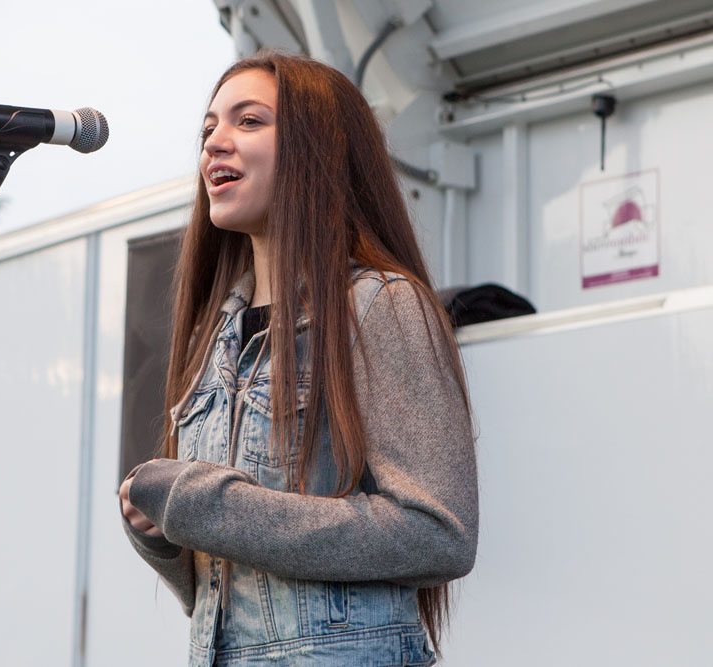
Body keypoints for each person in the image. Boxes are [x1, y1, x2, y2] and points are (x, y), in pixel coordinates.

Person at [119, 52, 478, 666]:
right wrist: (162, 535)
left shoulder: (380, 305)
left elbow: (439, 533)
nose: (215, 144)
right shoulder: (216, 335)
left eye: (248, 122)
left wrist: (207, 506)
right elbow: (239, 591)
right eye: (207, 130)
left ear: (318, 149)